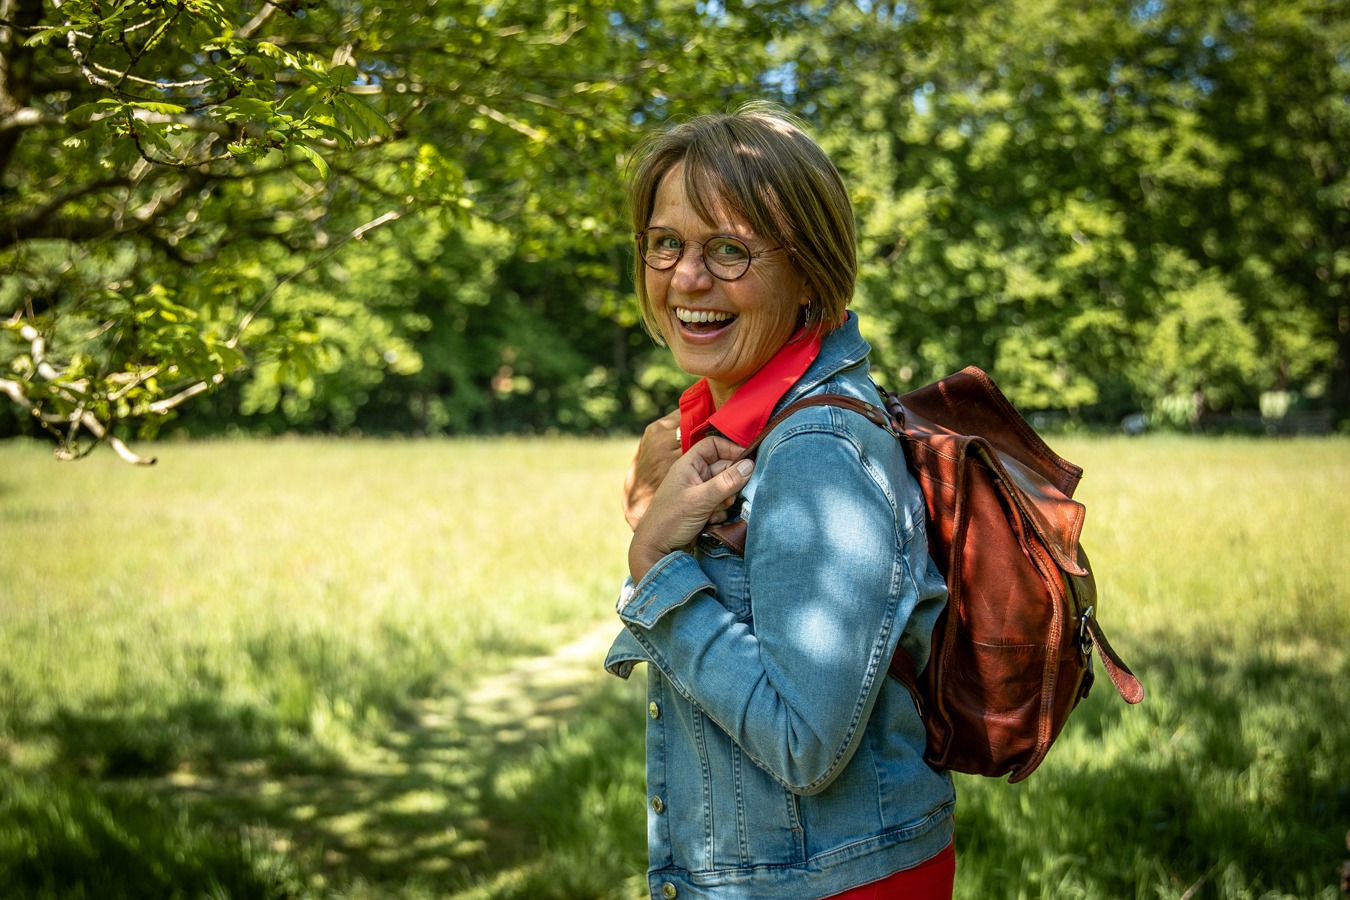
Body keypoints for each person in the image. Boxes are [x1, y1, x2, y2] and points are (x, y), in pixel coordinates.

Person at [605, 103, 955, 900]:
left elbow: (803, 743)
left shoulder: (815, 452)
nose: (687, 278)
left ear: (809, 270)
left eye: (729, 250)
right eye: (666, 244)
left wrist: (655, 565)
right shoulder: (728, 432)